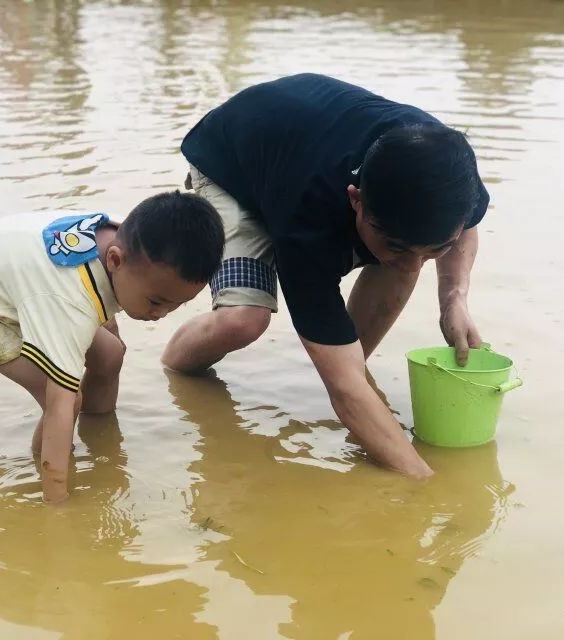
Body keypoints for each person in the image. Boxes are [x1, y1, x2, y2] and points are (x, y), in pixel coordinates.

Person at [162, 74, 491, 478]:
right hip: (234, 163)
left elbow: (463, 228)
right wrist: (423, 482)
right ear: (355, 199)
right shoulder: (307, 226)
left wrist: (453, 299)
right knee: (244, 320)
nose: (413, 266)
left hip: (304, 146)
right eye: (400, 247)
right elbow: (344, 394)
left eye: (433, 249)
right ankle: (174, 371)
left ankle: (355, 377)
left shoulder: (450, 174)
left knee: (373, 317)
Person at [0, 191, 225, 503]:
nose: (161, 315)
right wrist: (59, 509)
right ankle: (48, 479)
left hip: (14, 270)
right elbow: (60, 401)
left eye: (177, 305)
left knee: (111, 354)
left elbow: (105, 310)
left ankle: (102, 438)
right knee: (67, 400)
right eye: (156, 302)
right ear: (115, 260)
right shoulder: (68, 303)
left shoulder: (130, 238)